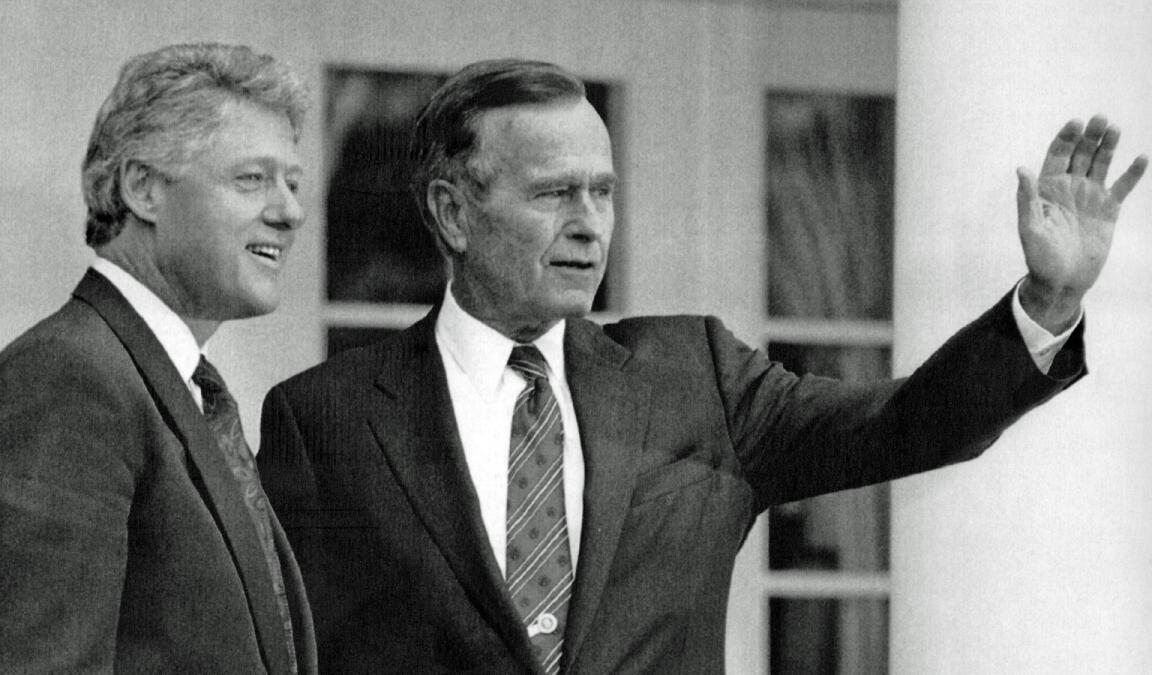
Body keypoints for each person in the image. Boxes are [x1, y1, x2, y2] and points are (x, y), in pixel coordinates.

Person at [256, 59, 1146, 674]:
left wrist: (1046, 301)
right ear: (452, 211)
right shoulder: (324, 419)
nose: (589, 223)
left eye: (602, 191)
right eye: (553, 192)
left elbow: (908, 421)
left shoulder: (697, 376)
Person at [0, 43, 317, 673]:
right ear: (143, 188)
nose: (290, 212)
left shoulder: (157, 381)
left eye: (291, 182)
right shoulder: (67, 383)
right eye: (251, 179)